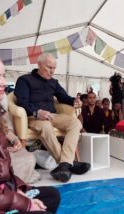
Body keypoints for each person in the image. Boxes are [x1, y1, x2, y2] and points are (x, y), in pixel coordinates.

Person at [0, 53, 60, 214]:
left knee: (51, 196)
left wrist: (20, 189)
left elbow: (3, 172)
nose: (4, 83)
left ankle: (65, 163)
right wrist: (25, 204)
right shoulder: (26, 81)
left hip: (1, 193)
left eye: (3, 76)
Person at [14, 53, 90, 183]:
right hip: (34, 116)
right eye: (49, 67)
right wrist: (37, 112)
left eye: (54, 68)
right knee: (45, 126)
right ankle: (70, 163)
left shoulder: (53, 82)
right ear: (39, 64)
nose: (52, 71)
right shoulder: (24, 80)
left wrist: (74, 101)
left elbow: (64, 98)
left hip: (53, 115)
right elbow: (22, 102)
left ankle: (65, 164)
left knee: (75, 123)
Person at [1, 94, 41, 184]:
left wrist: (15, 140)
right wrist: (0, 149)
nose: (3, 83)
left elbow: (5, 129)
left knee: (30, 159)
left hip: (2, 148)